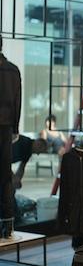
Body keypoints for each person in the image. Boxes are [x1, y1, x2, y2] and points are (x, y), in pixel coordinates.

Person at [0, 35, 22, 237]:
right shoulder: (13, 70)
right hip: (6, 128)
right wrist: (15, 128)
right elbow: (17, 102)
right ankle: (8, 225)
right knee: (5, 175)